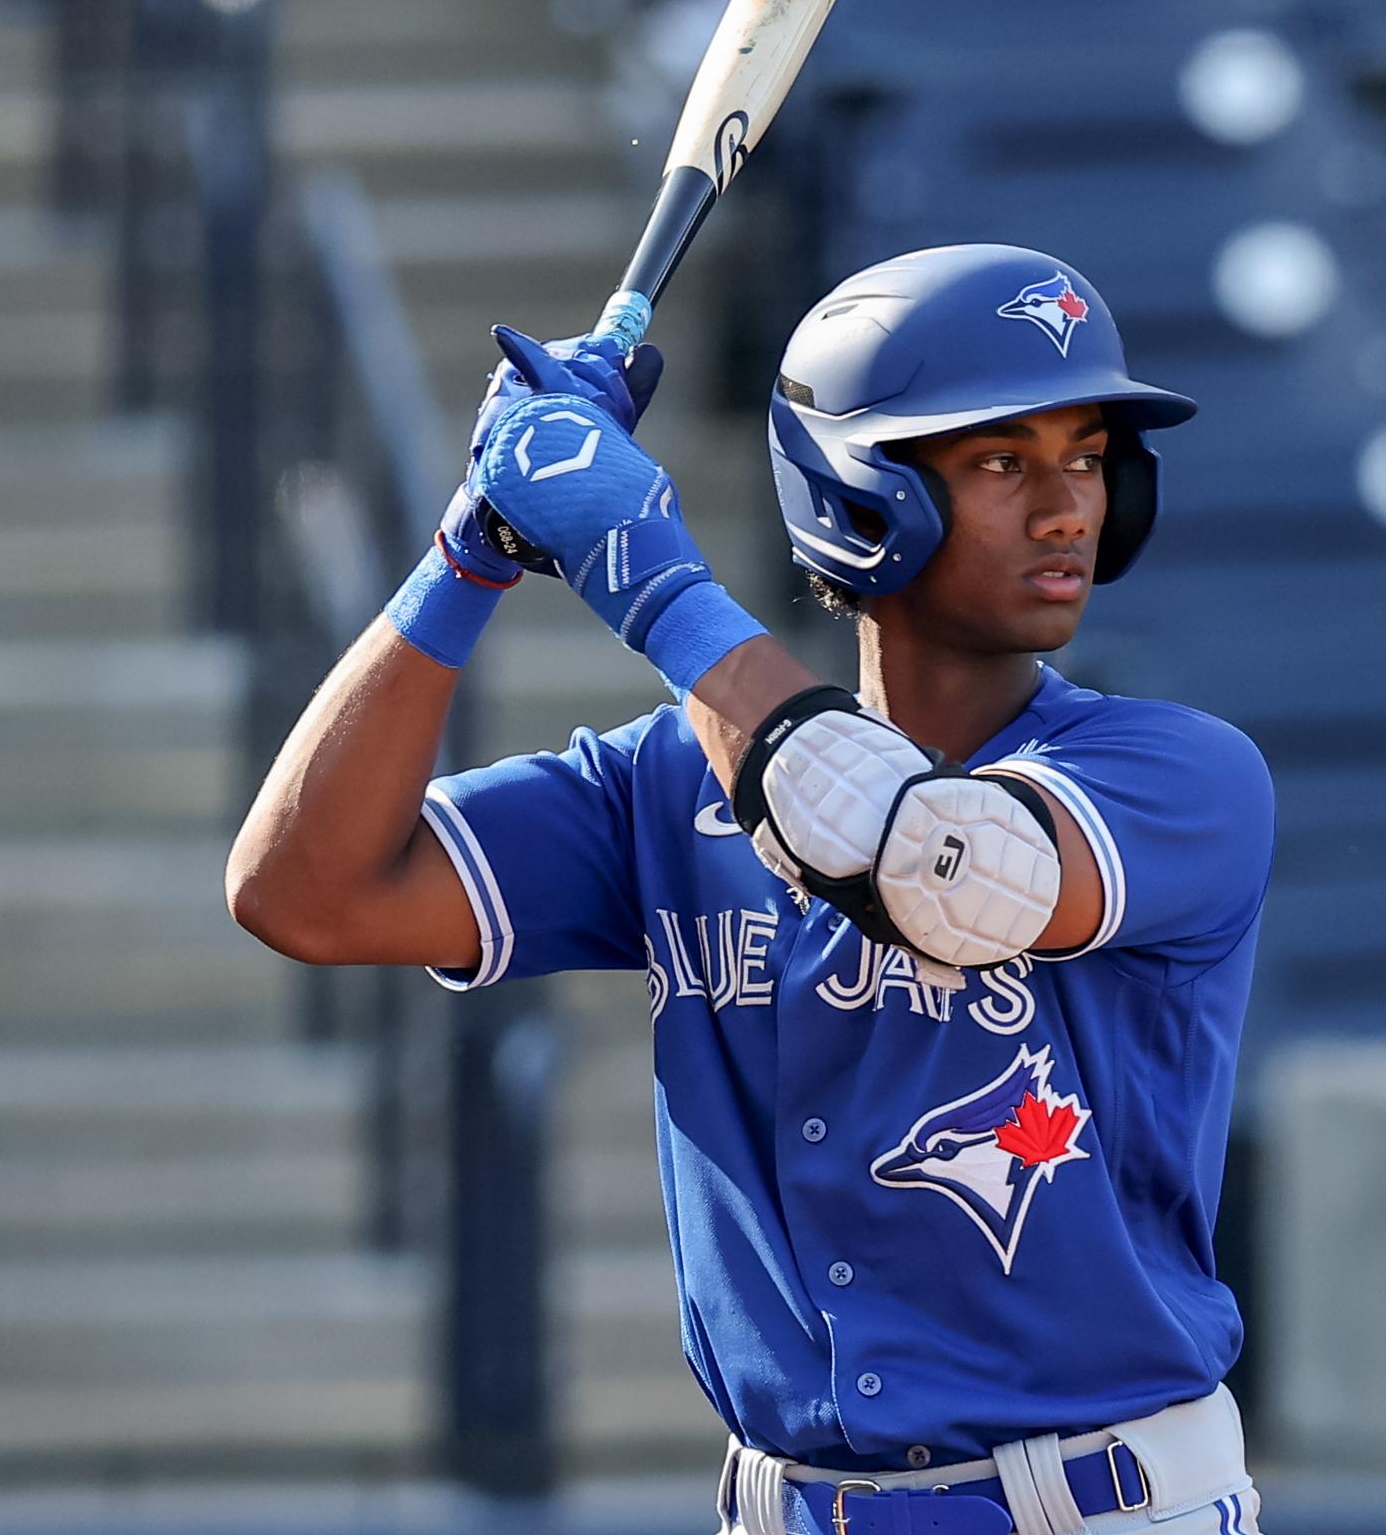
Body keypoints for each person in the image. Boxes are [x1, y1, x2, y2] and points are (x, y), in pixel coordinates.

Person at [227, 244, 1274, 1535]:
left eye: (1089, 454)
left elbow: (933, 865)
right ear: (861, 489)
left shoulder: (1179, 774)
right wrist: (470, 549)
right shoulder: (664, 783)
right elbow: (303, 888)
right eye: (1004, 461)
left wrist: (650, 573)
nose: (1068, 506)